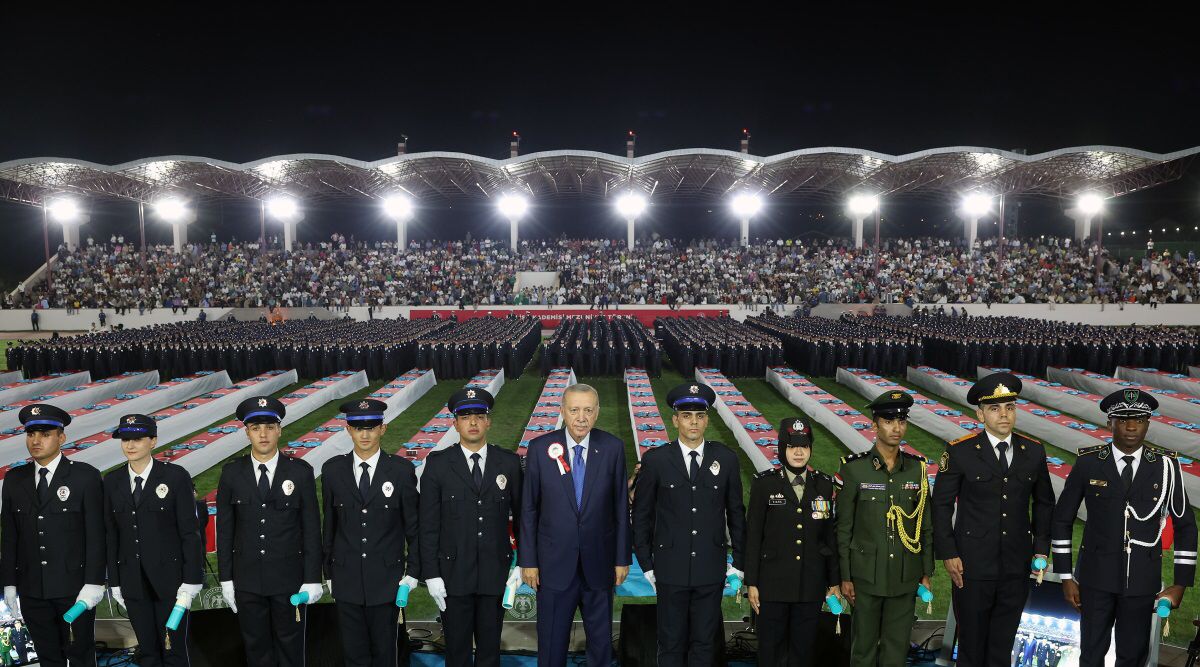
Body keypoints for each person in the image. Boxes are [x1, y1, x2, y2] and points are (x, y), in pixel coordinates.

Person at [1052, 388, 1197, 666]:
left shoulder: (1166, 466)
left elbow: (1186, 526)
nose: (1131, 427)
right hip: (1094, 581)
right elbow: (1062, 520)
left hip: (1142, 583)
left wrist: (1181, 583)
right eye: (1123, 419)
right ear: (1110, 423)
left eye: (1139, 420)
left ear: (1148, 424)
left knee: (1132, 657)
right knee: (1091, 655)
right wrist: (1065, 576)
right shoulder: (1089, 463)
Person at [932, 372, 1054, 666]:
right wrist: (948, 553)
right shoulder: (960, 451)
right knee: (972, 647)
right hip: (971, 567)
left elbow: (1044, 503)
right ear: (980, 413)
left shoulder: (1033, 451)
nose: (1003, 415)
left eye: (1009, 407)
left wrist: (1039, 548)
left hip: (1015, 566)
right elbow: (941, 505)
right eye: (995, 408)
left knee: (1002, 648)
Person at [632, 382, 745, 666]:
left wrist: (739, 561)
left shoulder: (726, 459)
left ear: (707, 419)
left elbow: (736, 513)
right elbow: (641, 515)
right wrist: (646, 563)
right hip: (669, 568)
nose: (693, 422)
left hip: (711, 567)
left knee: (704, 643)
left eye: (699, 415)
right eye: (686, 415)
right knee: (669, 643)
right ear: (675, 420)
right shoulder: (656, 460)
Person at [519, 384, 632, 667]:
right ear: (562, 412)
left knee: (601, 645)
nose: (581, 417)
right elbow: (529, 509)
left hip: (600, 564)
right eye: (574, 410)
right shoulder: (540, 448)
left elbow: (621, 507)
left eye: (588, 410)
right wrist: (528, 561)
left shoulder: (613, 448)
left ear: (597, 413)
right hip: (553, 566)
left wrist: (621, 558)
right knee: (551, 646)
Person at [216, 396, 323, 667]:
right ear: (247, 432)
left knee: (291, 648)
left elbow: (311, 528)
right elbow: (225, 530)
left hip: (289, 579)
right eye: (255, 427)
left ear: (279, 429)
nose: (262, 434)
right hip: (247, 580)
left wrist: (312, 578)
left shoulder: (300, 472)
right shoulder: (231, 473)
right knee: (256, 649)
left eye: (269, 426)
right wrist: (226, 579)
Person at [419, 388, 522, 667]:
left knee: (490, 651)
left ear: (489, 421)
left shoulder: (509, 463)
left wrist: (523, 563)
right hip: (452, 575)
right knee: (456, 651)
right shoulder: (438, 465)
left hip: (494, 572)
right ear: (455, 423)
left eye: (479, 416)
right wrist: (431, 575)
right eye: (465, 417)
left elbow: (524, 518)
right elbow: (427, 525)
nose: (473, 422)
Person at [0, 404, 106, 667]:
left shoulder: (84, 476)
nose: (36, 440)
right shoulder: (15, 479)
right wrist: (10, 584)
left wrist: (94, 582)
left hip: (74, 589)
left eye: (45, 434)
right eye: (31, 434)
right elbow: (10, 536)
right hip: (33, 588)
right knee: (48, 658)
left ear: (61, 437)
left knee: (81, 655)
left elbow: (96, 534)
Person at [835, 391, 933, 666]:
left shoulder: (917, 470)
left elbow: (926, 525)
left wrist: (926, 572)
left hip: (905, 575)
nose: (896, 428)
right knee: (863, 651)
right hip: (865, 577)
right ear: (874, 425)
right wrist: (845, 576)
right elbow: (843, 528)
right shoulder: (854, 470)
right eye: (889, 421)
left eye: (902, 421)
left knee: (896, 651)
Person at [322, 399, 420, 667]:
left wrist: (412, 572)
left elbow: (413, 527)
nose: (364, 434)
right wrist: (328, 572)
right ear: (348, 430)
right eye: (357, 427)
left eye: (371, 427)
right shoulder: (332, 470)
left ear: (383, 429)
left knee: (386, 654)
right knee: (353, 655)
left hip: (387, 581)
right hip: (346, 579)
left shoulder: (401, 471)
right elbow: (328, 525)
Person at [103, 413, 205, 667]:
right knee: (147, 652)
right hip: (132, 581)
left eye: (137, 438)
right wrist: (115, 581)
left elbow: (189, 532)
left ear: (153, 441)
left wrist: (192, 579)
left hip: (171, 581)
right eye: (125, 439)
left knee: (174, 650)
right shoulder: (112, 481)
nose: (130, 445)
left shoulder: (175, 476)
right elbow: (111, 534)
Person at [744, 417, 840, 667]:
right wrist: (751, 582)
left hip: (810, 585)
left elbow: (829, 537)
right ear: (781, 449)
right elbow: (753, 536)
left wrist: (833, 582)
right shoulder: (765, 484)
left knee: (803, 652)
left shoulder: (823, 484)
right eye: (792, 446)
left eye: (805, 446)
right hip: (772, 585)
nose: (799, 452)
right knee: (770, 652)